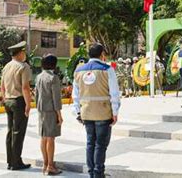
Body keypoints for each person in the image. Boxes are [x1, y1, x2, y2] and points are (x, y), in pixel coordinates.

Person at [72, 43, 120, 178]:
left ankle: (92, 172)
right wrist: (115, 112)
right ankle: (99, 173)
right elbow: (114, 93)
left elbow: (75, 94)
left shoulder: (79, 71)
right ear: (102, 54)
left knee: (90, 143)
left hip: (86, 112)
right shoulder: (107, 69)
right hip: (103, 113)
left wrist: (77, 112)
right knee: (100, 145)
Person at [0, 41, 32, 171]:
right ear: (20, 53)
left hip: (8, 100)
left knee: (10, 131)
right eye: (23, 52)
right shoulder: (24, 67)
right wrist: (28, 104)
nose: (24, 54)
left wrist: (5, 98)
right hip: (18, 101)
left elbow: (2, 86)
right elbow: (25, 87)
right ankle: (16, 162)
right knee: (18, 132)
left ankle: (10, 161)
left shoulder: (6, 66)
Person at [35, 54, 63, 175]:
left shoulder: (39, 76)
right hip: (51, 111)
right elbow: (56, 98)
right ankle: (50, 166)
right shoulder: (53, 78)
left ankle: (45, 164)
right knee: (50, 138)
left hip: (41, 110)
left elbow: (36, 95)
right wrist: (59, 115)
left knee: (43, 137)